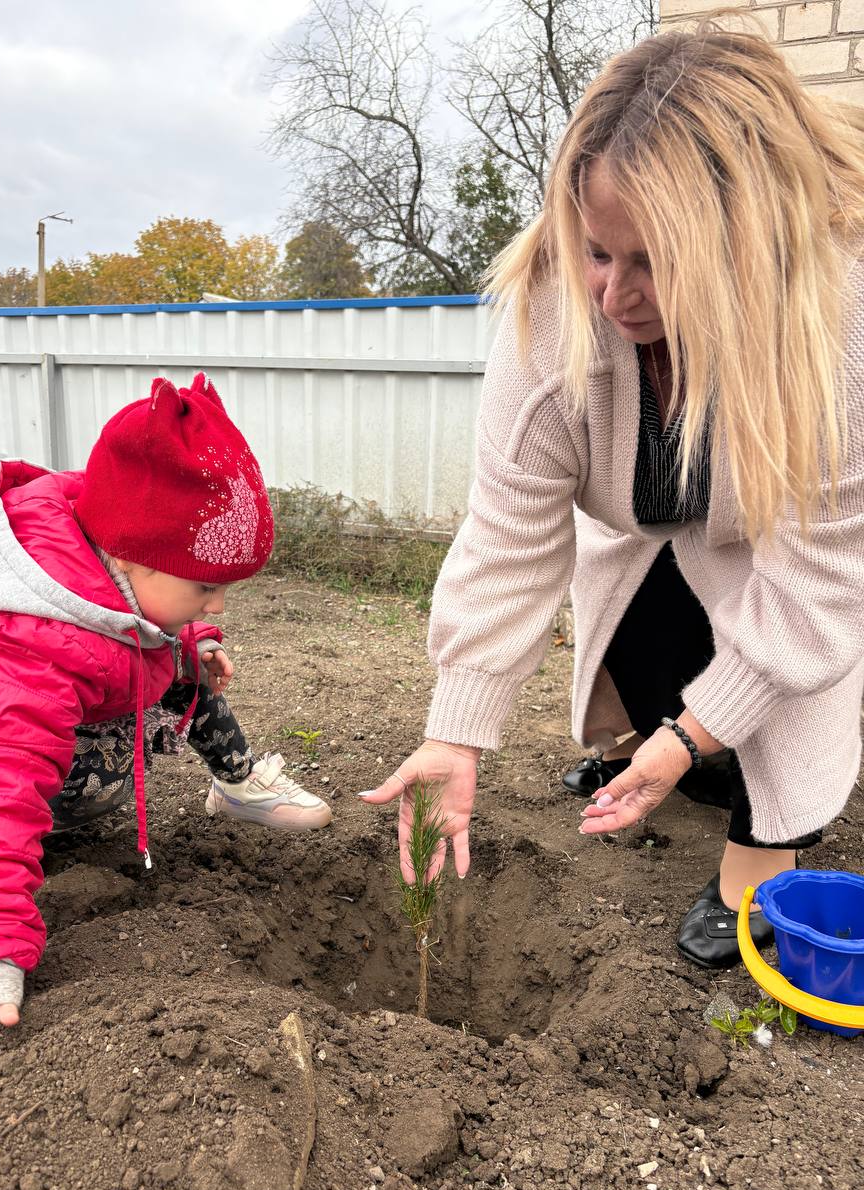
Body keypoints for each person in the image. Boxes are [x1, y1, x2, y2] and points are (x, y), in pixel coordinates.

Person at [362, 22, 864, 970]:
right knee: (639, 646)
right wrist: (455, 735)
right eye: (599, 250)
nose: (612, 295)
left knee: (788, 669)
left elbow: (820, 582)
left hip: (799, 566)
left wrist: (689, 737)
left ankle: (762, 850)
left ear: (744, 249)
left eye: (654, 264)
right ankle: (701, 751)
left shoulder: (837, 318)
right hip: (647, 540)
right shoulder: (553, 316)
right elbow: (508, 536)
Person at [0, 373, 331, 1070]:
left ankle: (236, 783)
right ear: (134, 557)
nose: (217, 604)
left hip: (59, 680)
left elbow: (132, 618)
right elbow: (3, 784)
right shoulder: (35, 642)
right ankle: (45, 847)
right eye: (205, 589)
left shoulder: (113, 545)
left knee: (179, 662)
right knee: (90, 780)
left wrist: (196, 642)